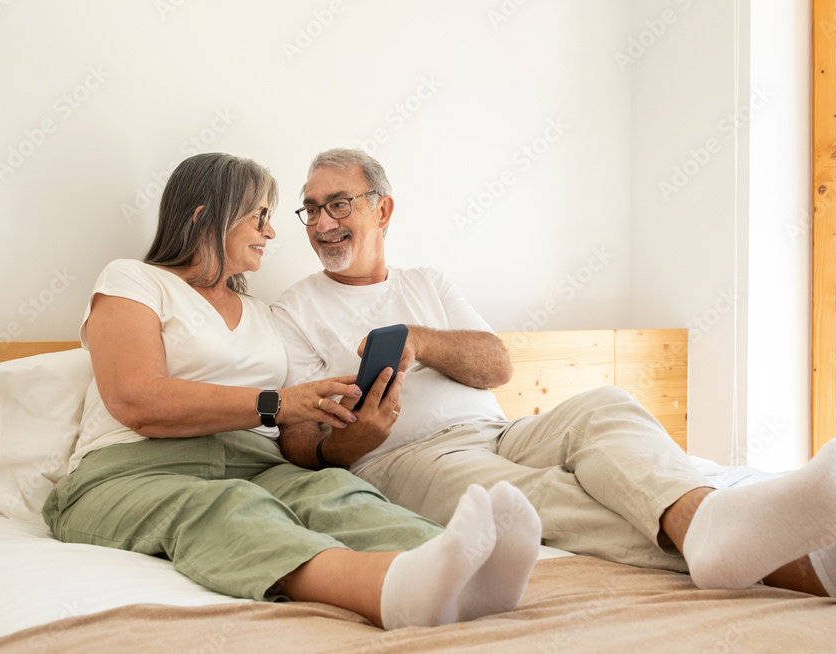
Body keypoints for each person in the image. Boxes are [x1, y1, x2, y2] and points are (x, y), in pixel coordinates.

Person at [271, 147, 836, 605]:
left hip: (497, 430)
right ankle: (814, 570)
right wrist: (361, 434)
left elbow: (498, 364)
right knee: (546, 495)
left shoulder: (427, 284)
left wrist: (422, 341)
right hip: (403, 459)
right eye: (310, 210)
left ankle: (709, 520)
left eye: (339, 204)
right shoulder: (294, 310)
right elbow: (300, 450)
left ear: (383, 209)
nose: (323, 223)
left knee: (606, 404)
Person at [41, 152, 543, 631]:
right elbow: (137, 401)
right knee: (229, 508)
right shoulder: (135, 280)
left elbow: (299, 432)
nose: (273, 231)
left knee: (336, 492)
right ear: (204, 217)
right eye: (259, 216)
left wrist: (328, 409)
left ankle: (466, 566)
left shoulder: (265, 314)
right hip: (131, 470)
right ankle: (386, 590)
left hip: (253, 464)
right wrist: (277, 405)